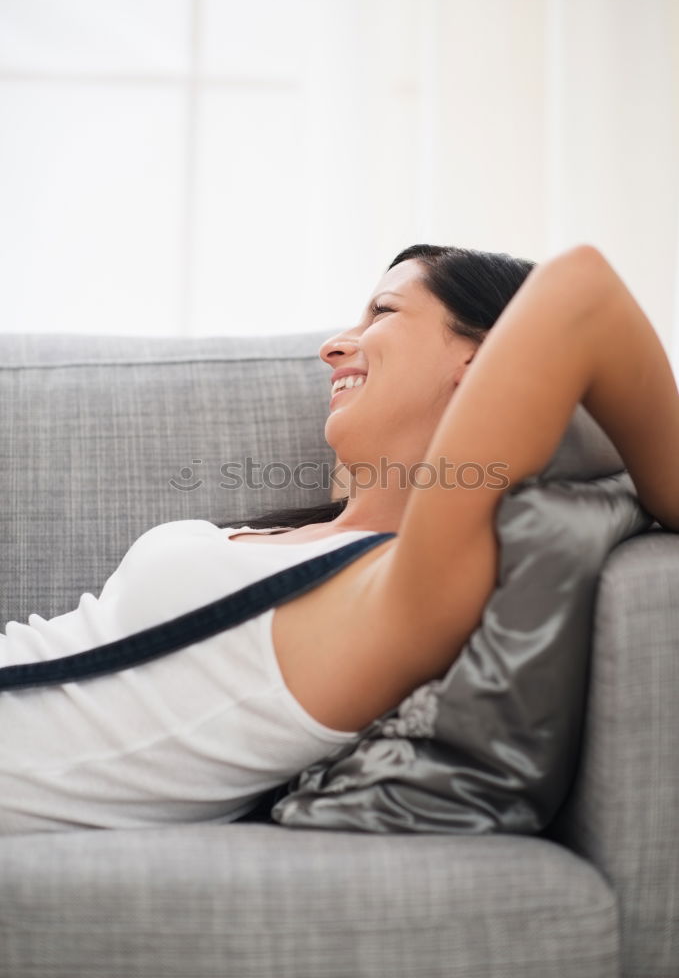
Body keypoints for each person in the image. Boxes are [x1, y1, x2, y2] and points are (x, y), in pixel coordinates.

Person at [2, 242, 678, 835]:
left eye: (383, 312)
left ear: (480, 359)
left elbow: (581, 291)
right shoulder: (320, 545)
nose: (331, 346)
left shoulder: (401, 592)